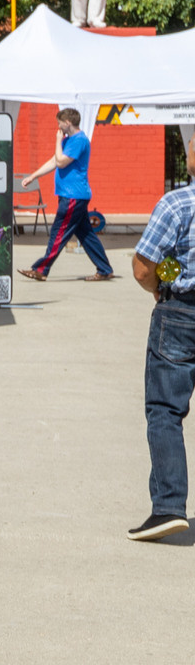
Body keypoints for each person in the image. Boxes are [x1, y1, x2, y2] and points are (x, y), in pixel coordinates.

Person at [130, 179, 195, 540]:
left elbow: (143, 267)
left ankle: (169, 507)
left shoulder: (177, 204)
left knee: (166, 411)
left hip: (182, 312)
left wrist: (155, 288)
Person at [21, 108, 114, 282]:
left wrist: (57, 141)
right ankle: (105, 269)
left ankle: (41, 269)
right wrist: (33, 176)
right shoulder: (69, 140)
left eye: (59, 123)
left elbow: (62, 162)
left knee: (59, 231)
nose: (58, 126)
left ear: (68, 123)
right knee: (86, 234)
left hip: (73, 196)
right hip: (72, 195)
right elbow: (54, 161)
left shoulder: (79, 140)